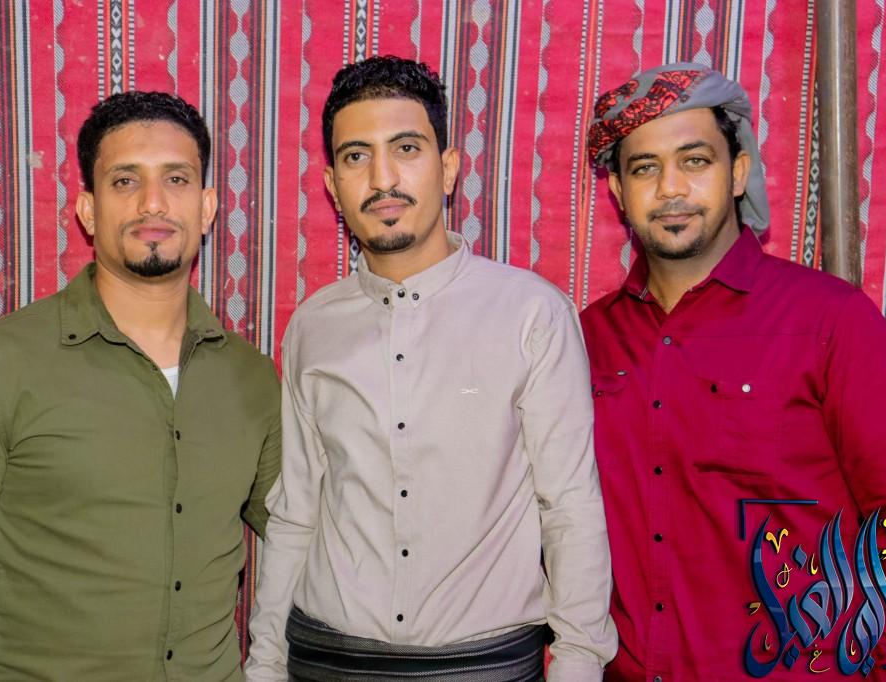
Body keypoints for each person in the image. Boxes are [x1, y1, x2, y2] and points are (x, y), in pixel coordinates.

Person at [245, 55, 616, 681]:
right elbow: (296, 509)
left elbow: (570, 505)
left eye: (406, 148)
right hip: (324, 656)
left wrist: (578, 664)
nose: (382, 178)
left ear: (447, 169)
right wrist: (265, 663)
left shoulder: (531, 314)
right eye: (357, 156)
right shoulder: (313, 325)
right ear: (333, 185)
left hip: (484, 663)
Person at [0, 91, 281, 680]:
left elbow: (305, 529)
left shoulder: (252, 379)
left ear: (208, 207)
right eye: (125, 181)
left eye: (177, 179)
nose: (153, 201)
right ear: (88, 210)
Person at [581, 62, 886, 680]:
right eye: (644, 168)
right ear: (617, 190)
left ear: (738, 171)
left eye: (695, 161)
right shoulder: (587, 339)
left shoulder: (829, 320)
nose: (670, 188)